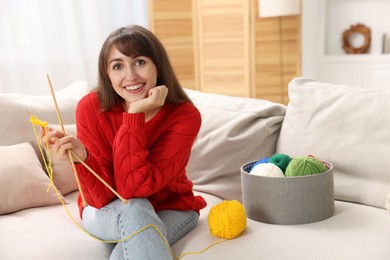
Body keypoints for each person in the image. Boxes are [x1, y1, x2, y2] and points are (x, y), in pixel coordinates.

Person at [40, 25, 207, 260]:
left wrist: (134, 115)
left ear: (157, 66)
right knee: (136, 210)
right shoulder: (90, 108)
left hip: (173, 208)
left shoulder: (184, 116)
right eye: (118, 66)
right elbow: (102, 199)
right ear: (107, 74)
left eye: (139, 62)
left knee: (125, 248)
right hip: (105, 211)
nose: (130, 76)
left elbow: (135, 188)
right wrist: (84, 158)